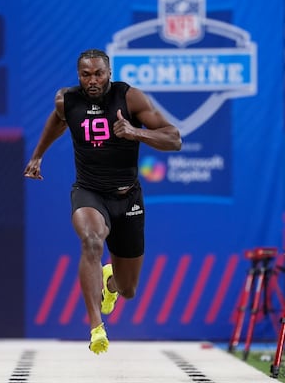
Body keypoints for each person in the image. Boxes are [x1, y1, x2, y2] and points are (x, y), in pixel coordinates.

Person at [23, 49, 181, 354]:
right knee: (92, 241)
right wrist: (37, 155)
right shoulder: (66, 100)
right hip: (89, 192)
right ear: (78, 75)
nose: (92, 80)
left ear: (109, 73)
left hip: (128, 197)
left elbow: (174, 138)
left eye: (98, 74)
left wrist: (135, 132)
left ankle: (110, 282)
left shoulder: (130, 98)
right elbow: (58, 121)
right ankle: (96, 327)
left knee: (128, 290)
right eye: (86, 75)